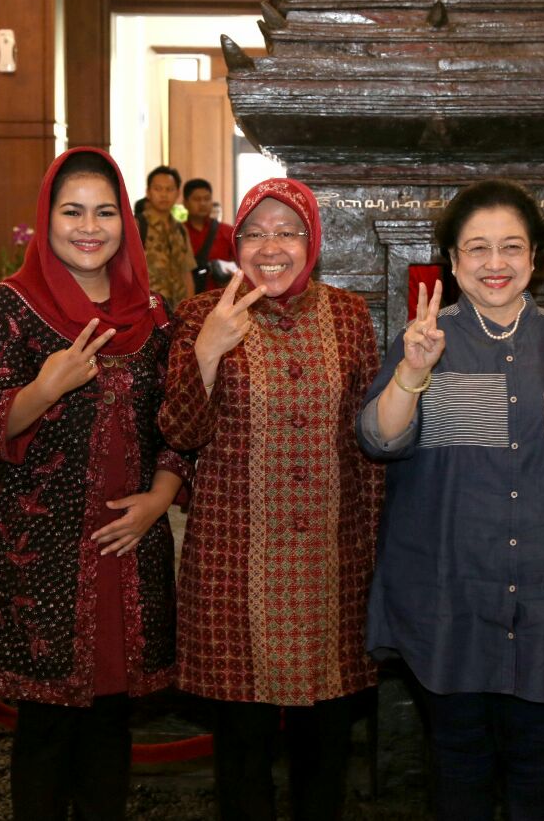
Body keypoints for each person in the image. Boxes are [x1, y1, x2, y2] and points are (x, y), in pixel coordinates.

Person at [357, 180, 544, 820]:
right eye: (477, 248)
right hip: (447, 598)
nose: (495, 263)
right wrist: (413, 374)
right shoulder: (424, 338)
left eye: (511, 247)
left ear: (535, 258)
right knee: (458, 767)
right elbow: (377, 439)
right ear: (453, 261)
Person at [0, 147, 190, 820]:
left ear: (127, 220)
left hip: (129, 549)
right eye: (72, 211)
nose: (89, 226)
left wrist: (161, 496)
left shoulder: (151, 312)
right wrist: (43, 387)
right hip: (42, 556)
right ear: (46, 219)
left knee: (111, 728)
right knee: (46, 732)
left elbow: (177, 422)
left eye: (105, 211)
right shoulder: (14, 304)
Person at [159, 178, 382, 820]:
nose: (270, 247)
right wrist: (208, 350)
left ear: (311, 241)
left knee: (325, 746)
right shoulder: (203, 313)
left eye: (287, 231)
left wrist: (375, 557)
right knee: (242, 752)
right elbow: (177, 431)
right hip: (234, 564)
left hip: (330, 567)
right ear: (237, 243)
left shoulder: (348, 315)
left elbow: (368, 447)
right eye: (254, 233)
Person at [137, 166, 195, 307]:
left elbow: (186, 272)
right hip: (148, 308)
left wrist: (190, 307)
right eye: (158, 189)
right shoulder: (137, 225)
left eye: (169, 189)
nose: (164, 194)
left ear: (177, 193)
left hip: (177, 311)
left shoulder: (181, 229)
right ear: (148, 192)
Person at [182, 178, 234, 293]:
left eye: (207, 199)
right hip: (185, 302)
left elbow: (240, 266)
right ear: (185, 203)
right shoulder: (177, 233)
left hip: (220, 300)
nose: (203, 203)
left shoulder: (227, 232)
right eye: (196, 199)